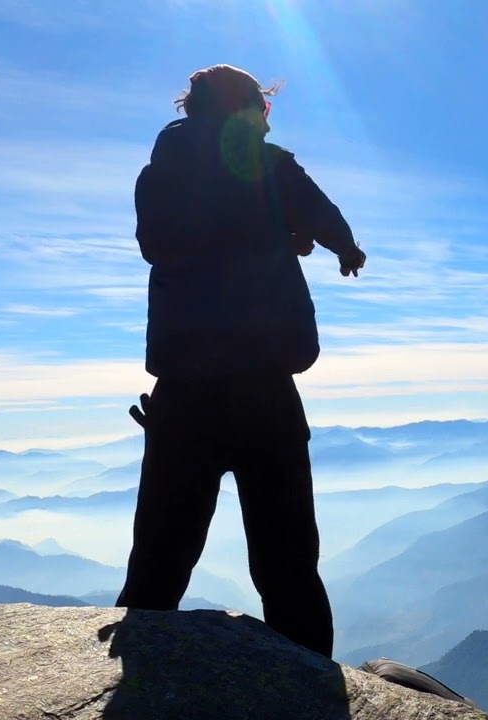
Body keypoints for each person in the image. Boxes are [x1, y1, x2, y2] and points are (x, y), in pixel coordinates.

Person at [114, 64, 366, 659]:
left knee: (158, 561)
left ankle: (133, 688)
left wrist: (279, 233)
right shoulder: (274, 167)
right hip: (264, 391)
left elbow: (158, 243)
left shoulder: (160, 174)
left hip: (184, 395)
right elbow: (323, 216)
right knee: (288, 566)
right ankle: (307, 690)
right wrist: (338, 246)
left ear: (190, 108)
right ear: (253, 109)